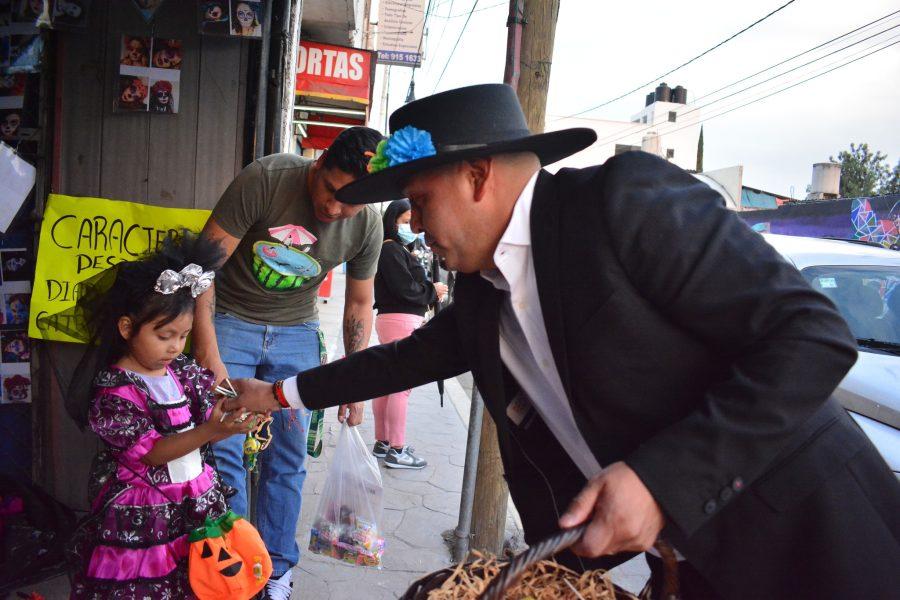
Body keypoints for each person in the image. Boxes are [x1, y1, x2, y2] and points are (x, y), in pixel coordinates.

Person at [227, 84, 900, 599]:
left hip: (814, 539)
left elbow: (811, 335)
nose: (412, 222)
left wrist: (661, 481)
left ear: (478, 176)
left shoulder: (619, 202)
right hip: (690, 566)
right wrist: (279, 392)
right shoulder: (484, 291)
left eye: (420, 199)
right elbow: (405, 358)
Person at [192, 126, 385, 599]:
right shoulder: (267, 178)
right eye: (331, 191)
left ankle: (275, 570)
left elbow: (359, 304)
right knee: (224, 447)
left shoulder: (368, 223)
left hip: (298, 331)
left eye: (350, 204)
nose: (334, 210)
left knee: (287, 456)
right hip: (230, 321)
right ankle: (236, 569)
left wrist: (353, 386)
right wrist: (209, 353)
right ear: (318, 165)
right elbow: (202, 268)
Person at [68, 234, 259, 599]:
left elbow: (209, 412)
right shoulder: (115, 391)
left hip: (193, 497)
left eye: (183, 336)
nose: (174, 346)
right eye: (164, 335)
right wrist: (209, 431)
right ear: (127, 328)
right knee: (149, 583)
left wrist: (234, 416)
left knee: (197, 576)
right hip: (144, 512)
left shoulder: (180, 370)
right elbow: (153, 453)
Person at [371, 199, 447, 469]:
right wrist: (432, 291)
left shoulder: (397, 249)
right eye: (405, 221)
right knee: (401, 386)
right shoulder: (392, 249)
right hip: (402, 320)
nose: (411, 227)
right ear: (392, 221)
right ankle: (397, 449)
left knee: (388, 383)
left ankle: (383, 442)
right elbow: (405, 288)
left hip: (393, 319)